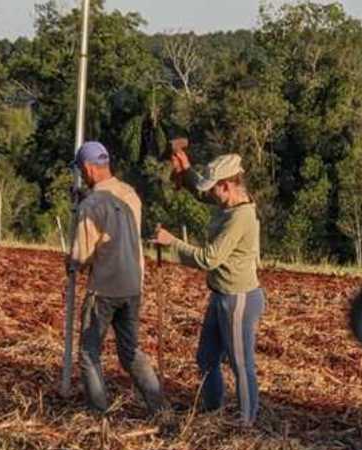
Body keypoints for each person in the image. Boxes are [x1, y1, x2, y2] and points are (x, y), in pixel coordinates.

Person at [154, 150, 265, 425]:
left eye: (215, 188)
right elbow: (202, 193)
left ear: (226, 186)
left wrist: (172, 243)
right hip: (220, 295)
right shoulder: (228, 204)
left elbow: (209, 258)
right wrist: (188, 169)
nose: (210, 195)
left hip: (238, 297)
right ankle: (213, 410)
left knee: (241, 363)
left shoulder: (241, 217)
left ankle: (246, 421)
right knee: (206, 358)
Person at [68, 141, 164, 416]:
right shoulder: (130, 195)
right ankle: (158, 405)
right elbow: (115, 217)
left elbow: (82, 253)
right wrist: (84, 197)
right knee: (130, 350)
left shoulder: (92, 205)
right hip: (133, 284)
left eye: (82, 171)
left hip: (104, 288)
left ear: (88, 168)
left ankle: (99, 414)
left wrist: (72, 263)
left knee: (88, 352)